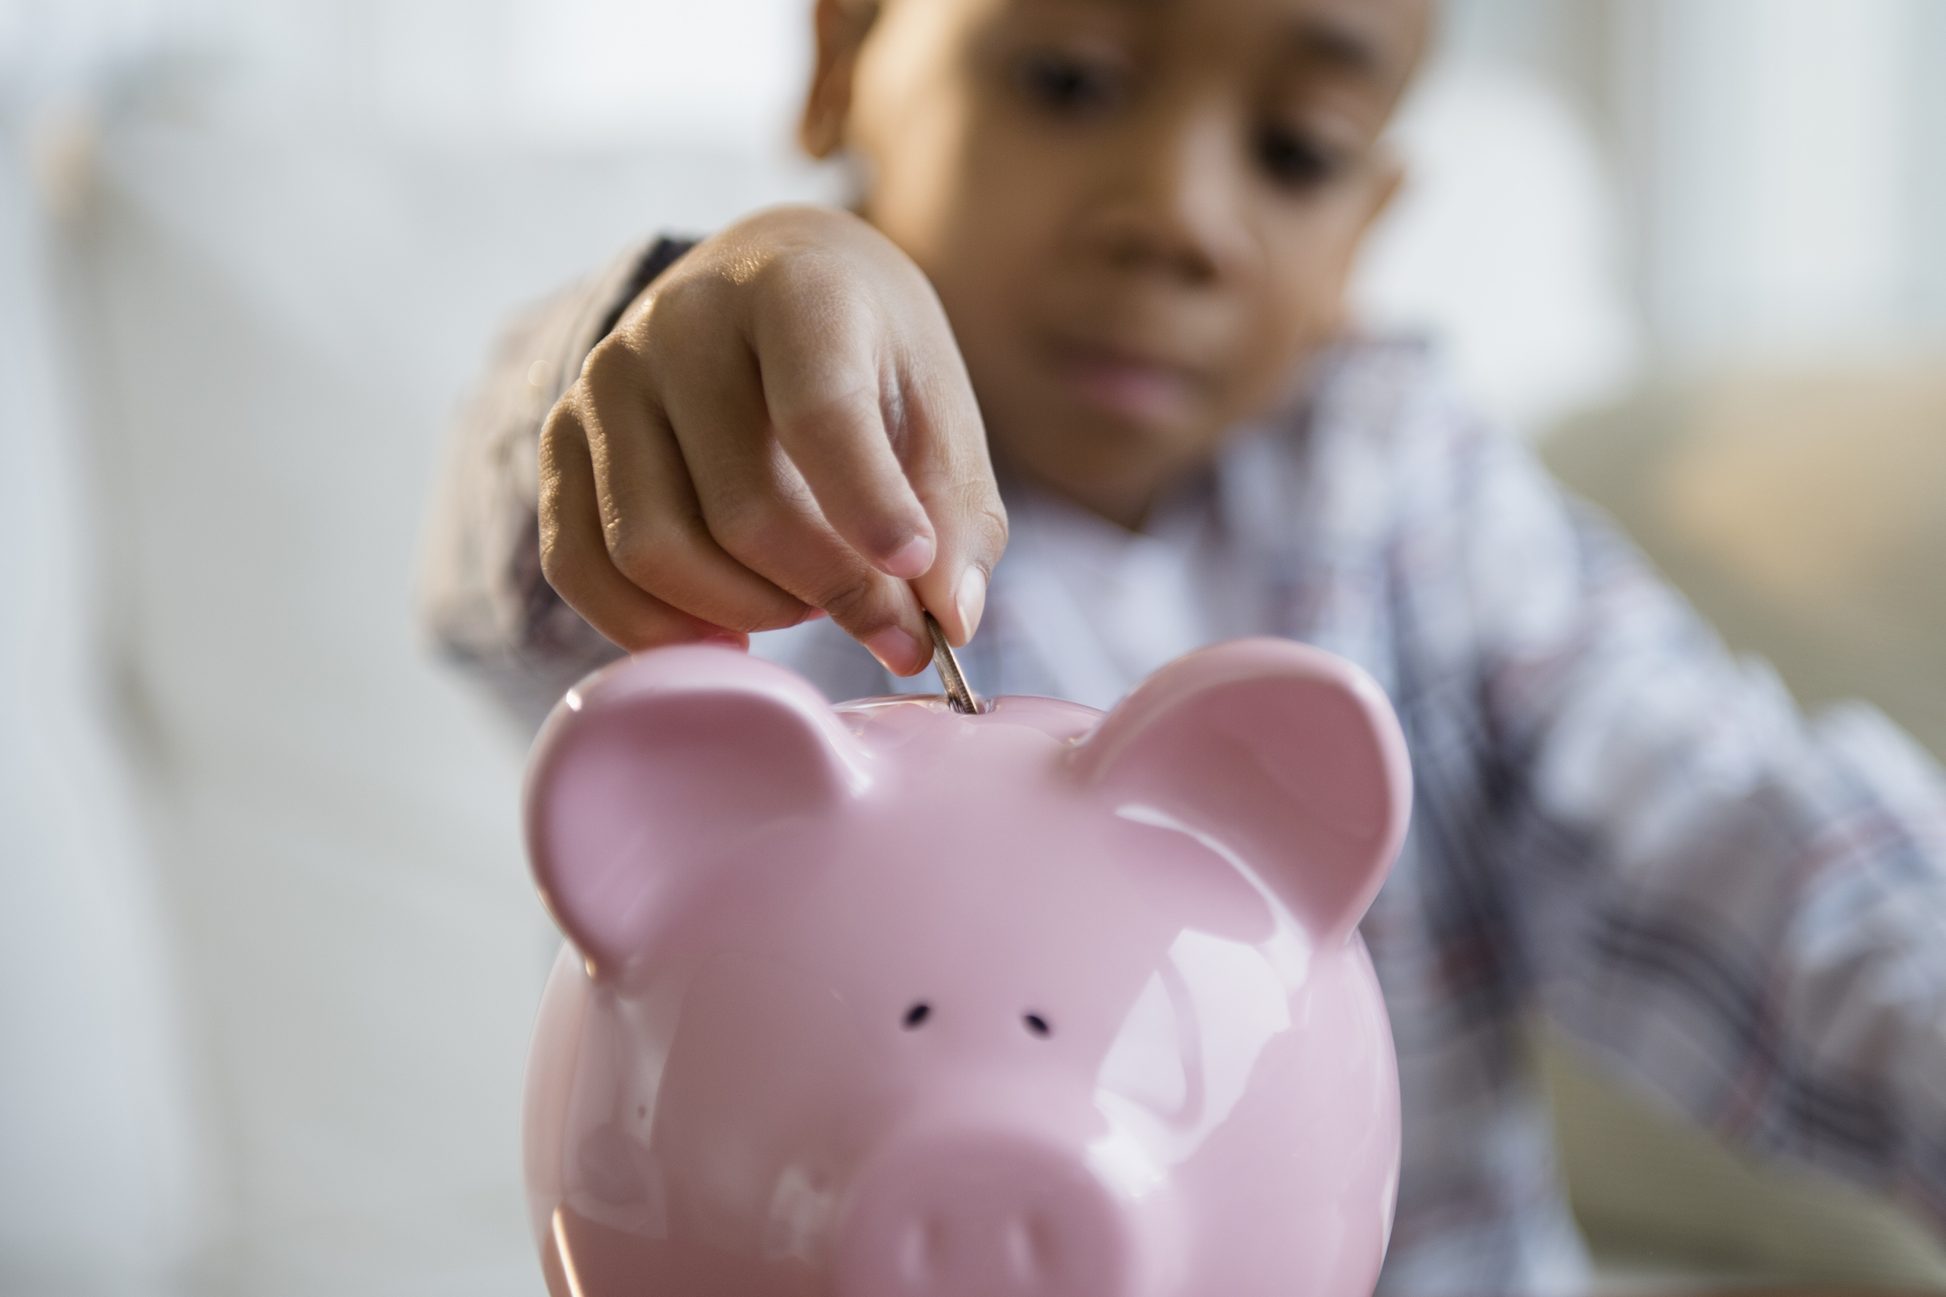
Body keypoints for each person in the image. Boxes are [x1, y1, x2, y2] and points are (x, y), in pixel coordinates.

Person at [414, 0, 1946, 1290]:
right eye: (1067, 79)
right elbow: (531, 575)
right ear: (844, 51)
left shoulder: (1409, 500)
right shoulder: (768, 497)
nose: (1181, 217)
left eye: (1294, 152)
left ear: (1366, 224)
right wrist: (675, 352)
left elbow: (1727, 835)